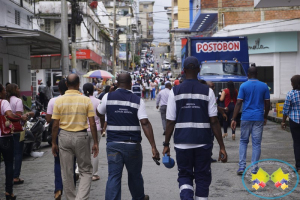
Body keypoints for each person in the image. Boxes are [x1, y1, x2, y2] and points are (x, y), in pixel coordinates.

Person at [163, 56, 227, 200]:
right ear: (199, 70)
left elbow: (170, 121)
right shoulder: (207, 91)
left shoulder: (175, 91)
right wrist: (222, 146)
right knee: (202, 176)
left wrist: (166, 144)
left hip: (182, 142)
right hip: (203, 143)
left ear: (184, 71)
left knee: (185, 175)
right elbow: (214, 121)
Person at [97, 73, 160, 200]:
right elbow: (145, 123)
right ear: (131, 84)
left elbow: (99, 112)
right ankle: (139, 197)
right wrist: (153, 146)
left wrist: (105, 121)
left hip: (113, 144)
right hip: (133, 145)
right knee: (135, 175)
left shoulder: (108, 97)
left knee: (114, 176)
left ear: (116, 84)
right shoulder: (137, 100)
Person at [51, 74, 99, 200]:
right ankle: (81, 198)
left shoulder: (59, 101)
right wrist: (95, 142)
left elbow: (55, 125)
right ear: (78, 85)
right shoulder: (85, 100)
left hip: (64, 137)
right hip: (81, 137)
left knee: (66, 172)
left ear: (66, 84)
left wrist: (53, 142)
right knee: (86, 170)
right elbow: (92, 123)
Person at [231, 67, 270, 175]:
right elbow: (267, 103)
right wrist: (265, 116)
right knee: (256, 144)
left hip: (246, 117)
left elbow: (239, 103)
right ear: (257, 74)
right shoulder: (264, 86)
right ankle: (254, 168)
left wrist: (234, 118)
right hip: (258, 118)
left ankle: (242, 167)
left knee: (243, 141)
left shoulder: (243, 86)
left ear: (248, 74)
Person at [46, 79, 77, 200]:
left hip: (58, 131)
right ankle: (71, 189)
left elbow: (49, 119)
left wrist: (53, 141)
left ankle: (58, 189)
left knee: (58, 162)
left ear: (58, 89)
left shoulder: (54, 101)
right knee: (72, 163)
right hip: (73, 130)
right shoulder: (77, 99)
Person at [0, 84, 28, 200]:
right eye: (3, 90)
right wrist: (20, 118)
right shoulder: (3, 102)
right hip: (4, 137)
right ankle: (8, 192)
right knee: (9, 164)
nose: (5, 92)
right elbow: (10, 115)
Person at [6, 84, 32, 186]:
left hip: (6, 131)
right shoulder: (18, 101)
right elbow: (18, 115)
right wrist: (24, 116)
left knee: (9, 154)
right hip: (17, 130)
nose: (19, 90)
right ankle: (16, 176)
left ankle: (9, 175)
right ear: (14, 90)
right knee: (18, 153)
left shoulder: (5, 101)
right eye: (17, 88)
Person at [83, 83, 102, 181]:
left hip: (82, 129)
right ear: (92, 91)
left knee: (82, 152)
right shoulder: (98, 101)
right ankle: (94, 174)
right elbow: (102, 115)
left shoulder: (80, 101)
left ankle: (81, 172)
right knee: (95, 151)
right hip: (96, 129)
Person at [281, 75, 300, 175]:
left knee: (297, 143)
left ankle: (299, 166)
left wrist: (283, 121)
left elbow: (286, 109)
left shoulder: (290, 94)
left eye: (291, 82)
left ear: (294, 83)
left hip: (295, 121)